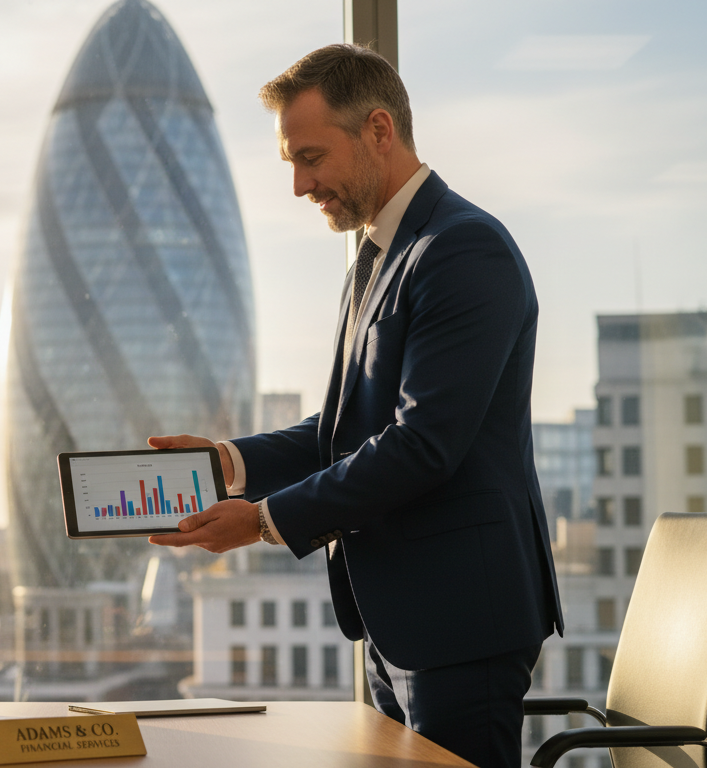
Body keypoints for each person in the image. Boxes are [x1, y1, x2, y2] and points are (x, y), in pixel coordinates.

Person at [146, 44, 563, 768]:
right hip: (395, 621)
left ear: (378, 130)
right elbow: (343, 431)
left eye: (311, 158)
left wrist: (265, 521)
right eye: (291, 165)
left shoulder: (463, 251)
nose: (301, 185)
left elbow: (420, 445)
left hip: (463, 622)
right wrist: (226, 463)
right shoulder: (377, 256)